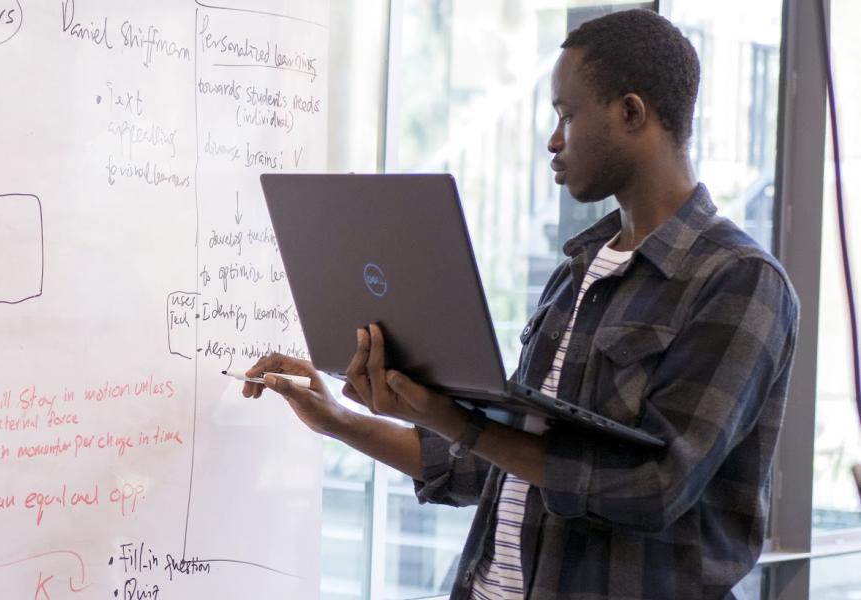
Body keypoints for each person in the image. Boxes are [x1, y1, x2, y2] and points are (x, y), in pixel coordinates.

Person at [242, 9, 799, 600]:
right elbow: (498, 463)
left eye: (566, 115)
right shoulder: (576, 271)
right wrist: (341, 420)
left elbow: (654, 489)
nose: (554, 140)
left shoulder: (738, 281)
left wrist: (456, 422)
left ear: (632, 113)